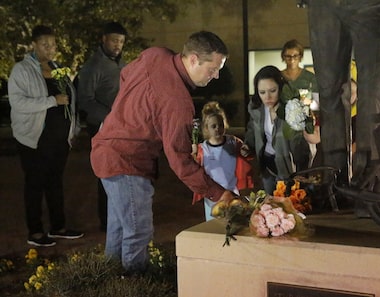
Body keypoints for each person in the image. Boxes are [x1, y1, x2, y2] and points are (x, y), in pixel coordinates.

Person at [90, 31, 235, 274]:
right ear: (193, 59)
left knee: (119, 229)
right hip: (128, 162)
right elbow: (179, 160)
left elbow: (126, 76)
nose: (216, 75)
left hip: (106, 150)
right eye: (212, 68)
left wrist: (127, 113)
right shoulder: (178, 102)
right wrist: (218, 194)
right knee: (138, 232)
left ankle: (108, 280)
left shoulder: (154, 54)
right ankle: (135, 285)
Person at [302, 0, 380, 185]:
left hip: (374, 4)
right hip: (324, 6)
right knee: (329, 91)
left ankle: (373, 183)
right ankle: (334, 184)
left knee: (374, 90)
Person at [8, 25, 83, 247]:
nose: (50, 49)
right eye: (45, 44)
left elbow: (69, 98)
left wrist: (74, 128)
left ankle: (58, 227)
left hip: (59, 141)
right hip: (34, 140)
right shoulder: (21, 70)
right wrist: (51, 101)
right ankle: (35, 231)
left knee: (55, 183)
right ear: (34, 45)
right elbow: (18, 103)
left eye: (53, 44)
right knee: (35, 185)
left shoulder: (58, 68)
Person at [77, 21, 127, 231]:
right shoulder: (93, 66)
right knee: (107, 174)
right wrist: (108, 118)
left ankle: (122, 217)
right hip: (101, 127)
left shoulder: (122, 64)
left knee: (123, 172)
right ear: (104, 39)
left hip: (123, 127)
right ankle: (107, 223)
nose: (118, 45)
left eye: (121, 41)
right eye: (114, 40)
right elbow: (85, 100)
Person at [241, 65, 320, 194]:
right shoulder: (257, 108)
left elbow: (302, 147)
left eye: (272, 90)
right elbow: (252, 128)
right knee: (270, 204)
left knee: (290, 204)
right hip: (267, 164)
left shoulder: (293, 110)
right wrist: (247, 145)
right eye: (262, 92)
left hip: (289, 166)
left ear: (281, 87)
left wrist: (301, 171)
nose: (267, 97)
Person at [192, 101, 254, 221]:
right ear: (206, 128)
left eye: (220, 125)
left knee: (234, 223)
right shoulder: (202, 149)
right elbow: (194, 168)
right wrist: (193, 155)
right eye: (213, 126)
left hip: (233, 193)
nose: (217, 129)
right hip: (213, 196)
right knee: (214, 226)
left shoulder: (233, 142)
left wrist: (246, 151)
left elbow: (246, 154)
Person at [280, 39, 319, 170]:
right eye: (288, 56)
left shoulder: (309, 77)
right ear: (283, 57)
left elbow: (317, 103)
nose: (292, 59)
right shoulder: (279, 77)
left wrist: (309, 103)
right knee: (284, 162)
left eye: (295, 56)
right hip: (282, 124)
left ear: (300, 57)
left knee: (303, 162)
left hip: (303, 124)